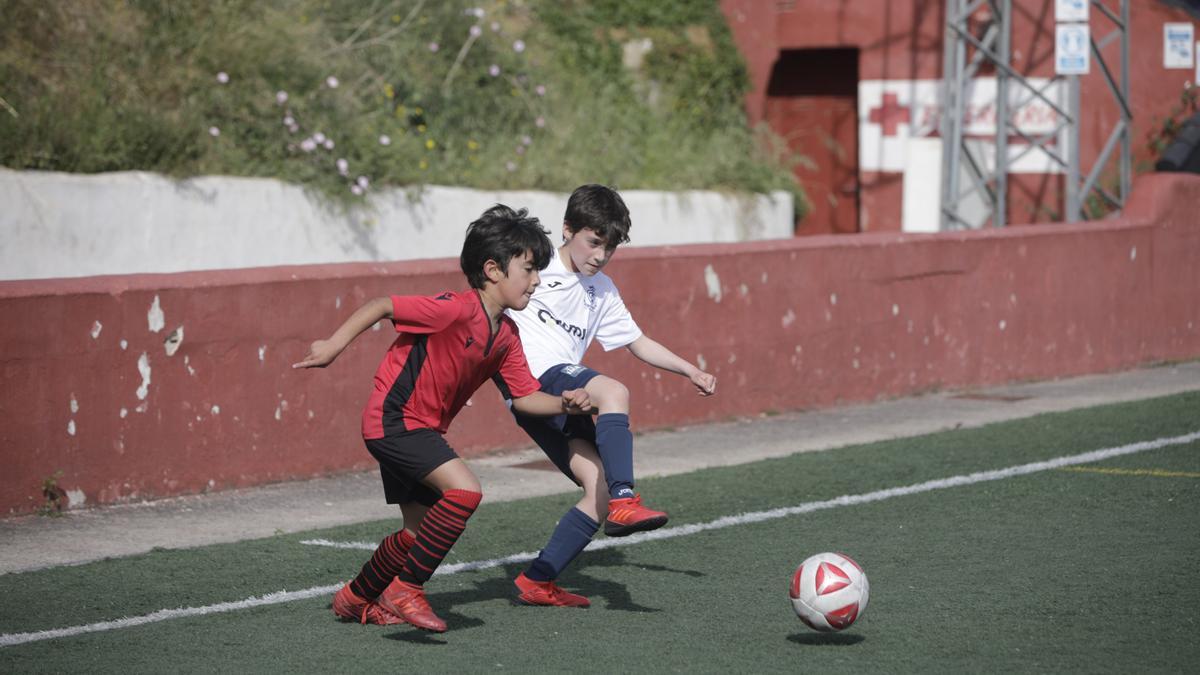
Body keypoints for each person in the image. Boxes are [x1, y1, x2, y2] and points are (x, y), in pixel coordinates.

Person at [293, 205, 592, 632]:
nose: (537, 280)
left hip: (417, 429)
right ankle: (406, 589)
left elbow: (525, 397)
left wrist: (567, 403)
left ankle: (354, 598)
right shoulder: (454, 309)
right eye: (528, 270)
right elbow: (382, 306)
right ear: (492, 270)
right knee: (465, 491)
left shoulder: (507, 335)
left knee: (415, 533)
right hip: (394, 420)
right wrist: (333, 346)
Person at [505, 184, 717, 608]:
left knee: (595, 488)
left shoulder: (601, 290)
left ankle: (537, 580)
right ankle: (627, 498)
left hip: (561, 398)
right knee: (614, 390)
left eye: (610, 248)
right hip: (537, 379)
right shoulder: (535, 266)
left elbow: (637, 342)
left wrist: (689, 369)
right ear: (566, 230)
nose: (600, 256)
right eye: (594, 242)